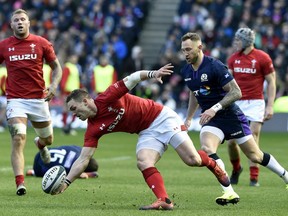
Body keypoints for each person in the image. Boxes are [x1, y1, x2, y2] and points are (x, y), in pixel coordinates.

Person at [52, 63, 231, 211]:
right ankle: (164, 200)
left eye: (74, 109)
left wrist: (154, 74)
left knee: (192, 160)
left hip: (162, 118)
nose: (74, 114)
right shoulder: (92, 129)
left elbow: (134, 77)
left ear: (85, 101)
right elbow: (84, 159)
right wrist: (66, 182)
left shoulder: (107, 97)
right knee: (143, 161)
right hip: (146, 131)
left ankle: (213, 164)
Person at [180, 32, 288, 206]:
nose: (185, 53)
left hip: (231, 115)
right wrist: (189, 117)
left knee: (256, 155)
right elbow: (195, 93)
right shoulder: (185, 70)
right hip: (212, 119)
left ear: (200, 48)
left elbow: (236, 92)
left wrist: (214, 108)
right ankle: (229, 192)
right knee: (207, 148)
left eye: (188, 50)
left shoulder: (215, 66)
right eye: (183, 50)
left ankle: (286, 176)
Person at [0, 9, 62, 196]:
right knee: (18, 137)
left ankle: (41, 144)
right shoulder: (4, 46)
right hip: (15, 100)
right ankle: (20, 182)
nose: (19, 22)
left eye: (23, 19)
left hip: (38, 99)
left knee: (48, 139)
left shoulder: (41, 43)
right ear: (11, 25)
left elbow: (57, 67)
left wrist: (53, 85)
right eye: (16, 20)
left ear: (29, 23)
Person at [227, 27, 276, 187]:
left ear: (246, 41)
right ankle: (236, 169)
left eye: (238, 40)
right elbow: (227, 83)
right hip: (237, 101)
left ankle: (254, 177)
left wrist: (270, 106)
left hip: (256, 102)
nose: (236, 43)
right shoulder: (233, 58)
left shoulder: (262, 57)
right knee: (232, 142)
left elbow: (271, 82)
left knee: (253, 138)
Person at [26, 145, 99, 179]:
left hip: (43, 152)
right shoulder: (73, 169)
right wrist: (86, 175)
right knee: (54, 174)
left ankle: (33, 172)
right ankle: (33, 172)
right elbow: (79, 175)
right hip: (38, 167)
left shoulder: (79, 150)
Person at [60, 54, 82, 135]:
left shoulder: (75, 67)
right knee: (66, 108)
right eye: (73, 57)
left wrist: (81, 87)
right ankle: (65, 127)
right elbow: (64, 80)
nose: (75, 59)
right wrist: (63, 91)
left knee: (75, 109)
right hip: (68, 91)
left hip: (75, 92)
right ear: (70, 58)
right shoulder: (67, 67)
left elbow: (76, 80)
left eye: (76, 58)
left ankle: (69, 126)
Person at [0, 64, 7, 132]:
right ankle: (1, 125)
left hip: (2, 95)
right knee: (3, 111)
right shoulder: (5, 71)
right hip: (3, 95)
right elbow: (3, 83)